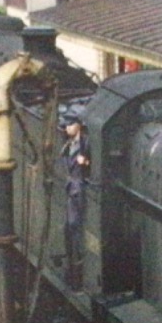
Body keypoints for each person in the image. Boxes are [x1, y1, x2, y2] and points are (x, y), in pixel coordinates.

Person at [60, 109, 91, 288]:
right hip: (71, 188)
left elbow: (93, 164)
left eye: (70, 124)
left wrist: (85, 162)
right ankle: (73, 265)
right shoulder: (69, 143)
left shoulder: (85, 143)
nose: (67, 128)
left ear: (78, 125)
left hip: (80, 189)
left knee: (76, 226)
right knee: (70, 226)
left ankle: (78, 267)